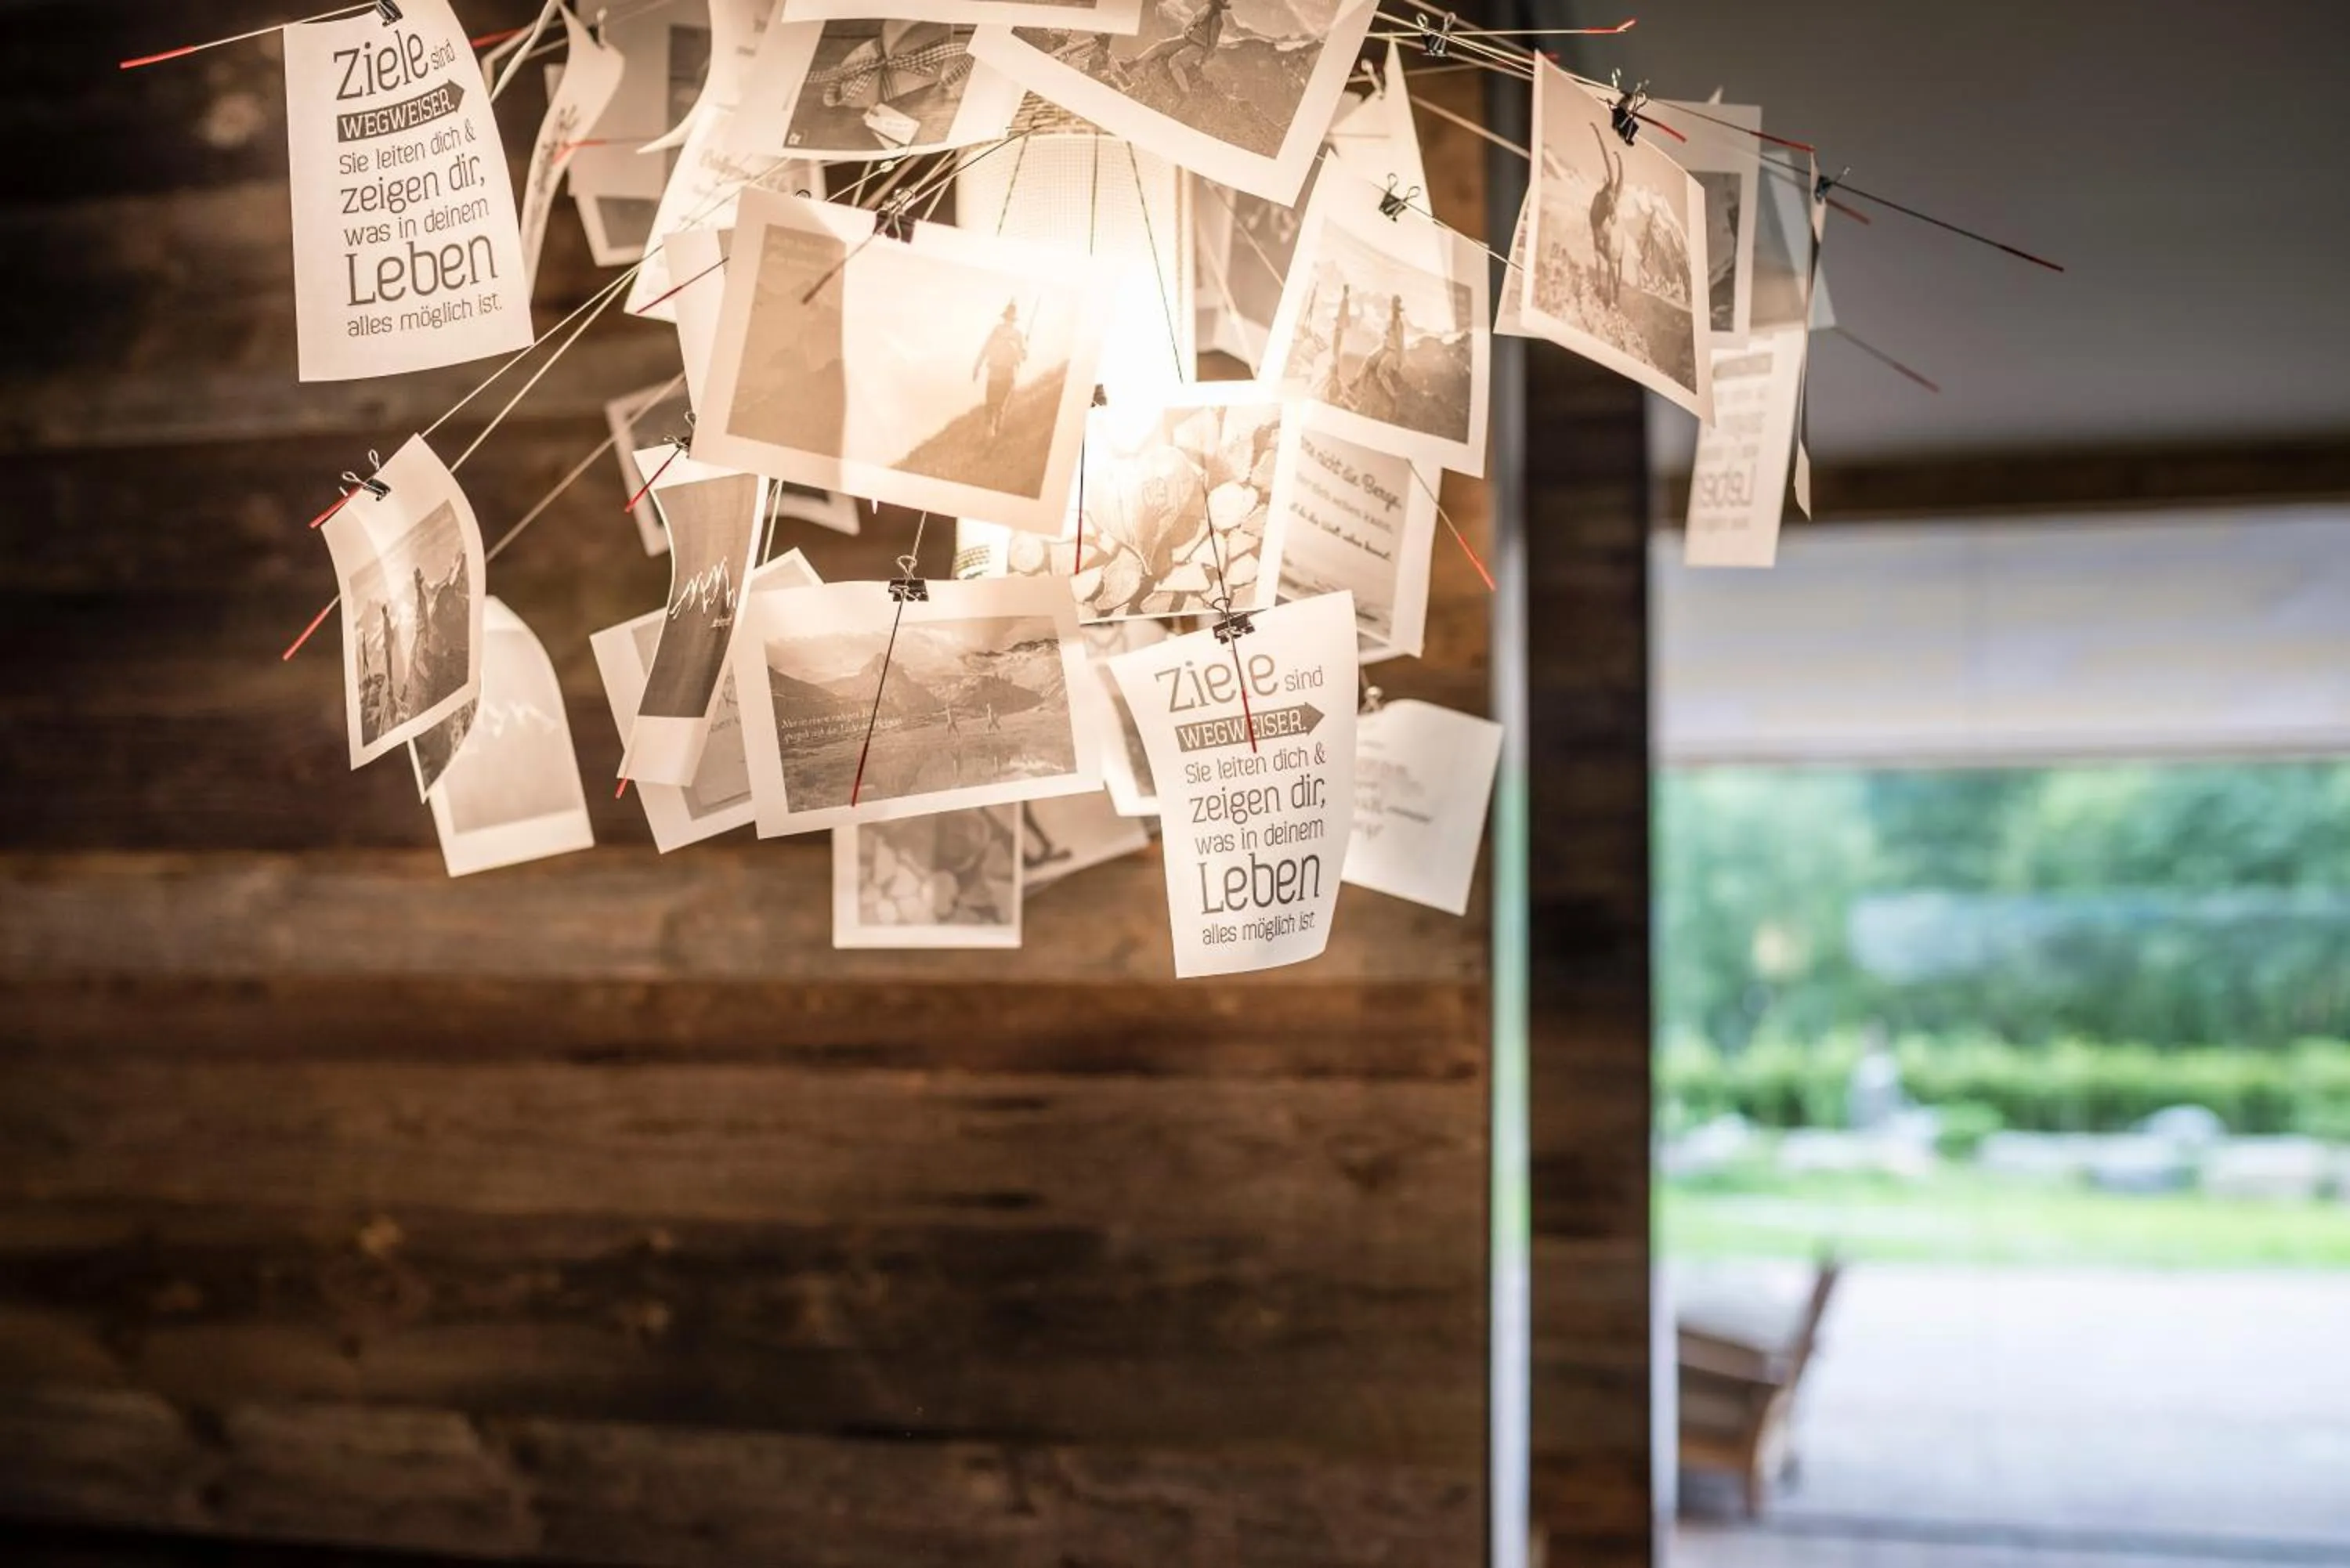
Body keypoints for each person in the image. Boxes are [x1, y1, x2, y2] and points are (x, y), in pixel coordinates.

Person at [1586, 121, 1629, 307]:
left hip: (1604, 227)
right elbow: (1606, 159)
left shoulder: (1610, 200)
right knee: (1601, 255)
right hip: (1599, 220)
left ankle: (1611, 295)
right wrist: (1597, 133)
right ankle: (1605, 290)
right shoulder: (1604, 197)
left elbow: (1617, 185)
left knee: (1611, 262)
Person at [971, 301, 1028, 439]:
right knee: (992, 404)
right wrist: (977, 366)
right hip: (997, 372)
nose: (1008, 320)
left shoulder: (1017, 335)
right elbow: (986, 348)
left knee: (999, 405)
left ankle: (995, 434)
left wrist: (1024, 352)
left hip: (1007, 372)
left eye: (1010, 318)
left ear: (1012, 319)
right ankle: (991, 434)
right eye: (1008, 317)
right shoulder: (999, 331)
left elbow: (1023, 356)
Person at [1350, 295, 1408, 408]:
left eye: (1395, 308)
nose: (1393, 310)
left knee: (1381, 371)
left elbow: (1401, 343)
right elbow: (1385, 337)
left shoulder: (1399, 324)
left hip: (1393, 351)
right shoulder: (1389, 321)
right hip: (1384, 347)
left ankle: (1394, 395)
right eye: (1392, 307)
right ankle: (1357, 383)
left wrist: (1399, 360)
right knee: (1369, 359)